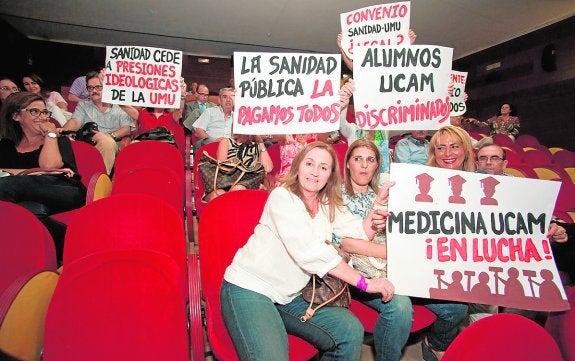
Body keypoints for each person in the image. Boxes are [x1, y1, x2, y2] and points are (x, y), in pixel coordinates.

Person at [221, 141, 395, 361]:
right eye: (309, 164)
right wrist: (364, 283)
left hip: (290, 295)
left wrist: (378, 205)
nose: (314, 172)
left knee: (349, 330)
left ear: (330, 175)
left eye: (323, 167)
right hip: (251, 287)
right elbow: (310, 252)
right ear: (297, 166)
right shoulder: (282, 197)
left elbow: (359, 230)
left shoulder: (325, 203)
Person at [334, 139, 413, 361]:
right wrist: (394, 251)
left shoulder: (386, 195)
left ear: (377, 165)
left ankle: (435, 344)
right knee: (400, 306)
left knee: (453, 309)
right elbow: (346, 244)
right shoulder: (334, 195)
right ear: (348, 163)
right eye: (357, 159)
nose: (364, 165)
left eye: (370, 160)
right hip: (355, 274)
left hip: (394, 267)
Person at [0, 92, 86, 262]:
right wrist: (30, 172)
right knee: (27, 211)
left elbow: (49, 166)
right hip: (28, 198)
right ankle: (74, 247)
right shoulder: (6, 145)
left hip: (63, 189)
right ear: (16, 116)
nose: (42, 117)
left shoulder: (59, 140)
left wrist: (51, 135)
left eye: (45, 112)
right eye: (34, 112)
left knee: (6, 185)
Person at [422, 125, 473, 360]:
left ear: (466, 149)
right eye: (440, 148)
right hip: (425, 265)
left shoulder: (483, 185)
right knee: (456, 308)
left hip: (464, 265)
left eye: (454, 146)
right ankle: (436, 343)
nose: (447, 153)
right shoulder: (420, 183)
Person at [59, 71, 135, 174]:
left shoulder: (120, 105)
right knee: (65, 141)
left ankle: (100, 181)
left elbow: (126, 129)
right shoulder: (84, 106)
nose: (94, 91)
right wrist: (64, 131)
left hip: (110, 145)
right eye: (90, 88)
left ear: (108, 88)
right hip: (88, 145)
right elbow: (75, 121)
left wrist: (109, 136)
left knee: (106, 142)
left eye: (99, 87)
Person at [202, 134, 273, 202]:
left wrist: (261, 143)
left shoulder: (257, 145)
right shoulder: (227, 141)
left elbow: (268, 168)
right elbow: (222, 167)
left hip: (248, 183)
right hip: (225, 182)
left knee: (238, 189)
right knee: (217, 195)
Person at [192, 86, 235, 151]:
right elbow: (198, 131)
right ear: (219, 100)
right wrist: (215, 141)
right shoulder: (210, 111)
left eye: (231, 97)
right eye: (225, 97)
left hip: (229, 149)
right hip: (210, 146)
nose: (228, 100)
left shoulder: (238, 117)